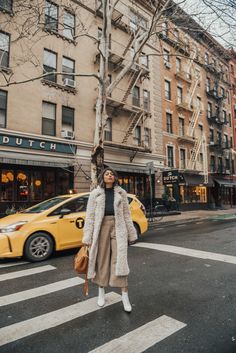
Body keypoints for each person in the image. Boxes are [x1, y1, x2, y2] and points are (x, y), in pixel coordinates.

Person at [82, 167, 137, 312]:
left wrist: (131, 234)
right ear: (102, 177)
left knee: (120, 260)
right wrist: (87, 236)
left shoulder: (121, 193)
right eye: (107, 174)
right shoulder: (95, 194)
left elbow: (127, 214)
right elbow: (90, 217)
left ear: (115, 177)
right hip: (102, 228)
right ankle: (101, 293)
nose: (110, 175)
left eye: (112, 174)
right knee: (102, 259)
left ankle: (125, 297)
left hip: (118, 227)